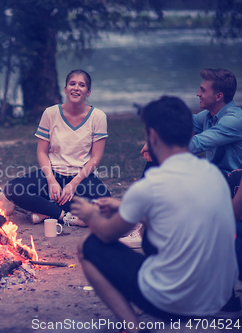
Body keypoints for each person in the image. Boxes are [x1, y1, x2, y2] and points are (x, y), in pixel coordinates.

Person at [71, 96, 239, 331]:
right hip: (218, 297)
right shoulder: (213, 175)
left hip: (176, 303)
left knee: (88, 246)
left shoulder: (150, 185)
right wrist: (124, 206)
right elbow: (177, 214)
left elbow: (107, 234)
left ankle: (133, 328)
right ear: (190, 134)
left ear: (153, 137)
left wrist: (89, 213)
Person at [4, 69, 110, 227]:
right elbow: (41, 151)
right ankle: (64, 216)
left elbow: (95, 157)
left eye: (81, 85)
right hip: (52, 175)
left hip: (81, 177)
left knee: (106, 206)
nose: (76, 88)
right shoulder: (50, 113)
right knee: (12, 189)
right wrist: (51, 181)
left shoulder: (98, 117)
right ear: (65, 89)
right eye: (72, 84)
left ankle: (42, 210)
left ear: (88, 92)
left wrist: (72, 184)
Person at [141, 68, 242, 179]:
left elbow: (197, 143)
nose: (198, 94)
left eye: (203, 90)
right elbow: (178, 125)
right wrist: (155, 138)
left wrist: (157, 145)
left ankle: (146, 191)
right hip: (214, 175)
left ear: (218, 96)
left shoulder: (235, 121)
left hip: (232, 182)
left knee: (171, 154)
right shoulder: (208, 116)